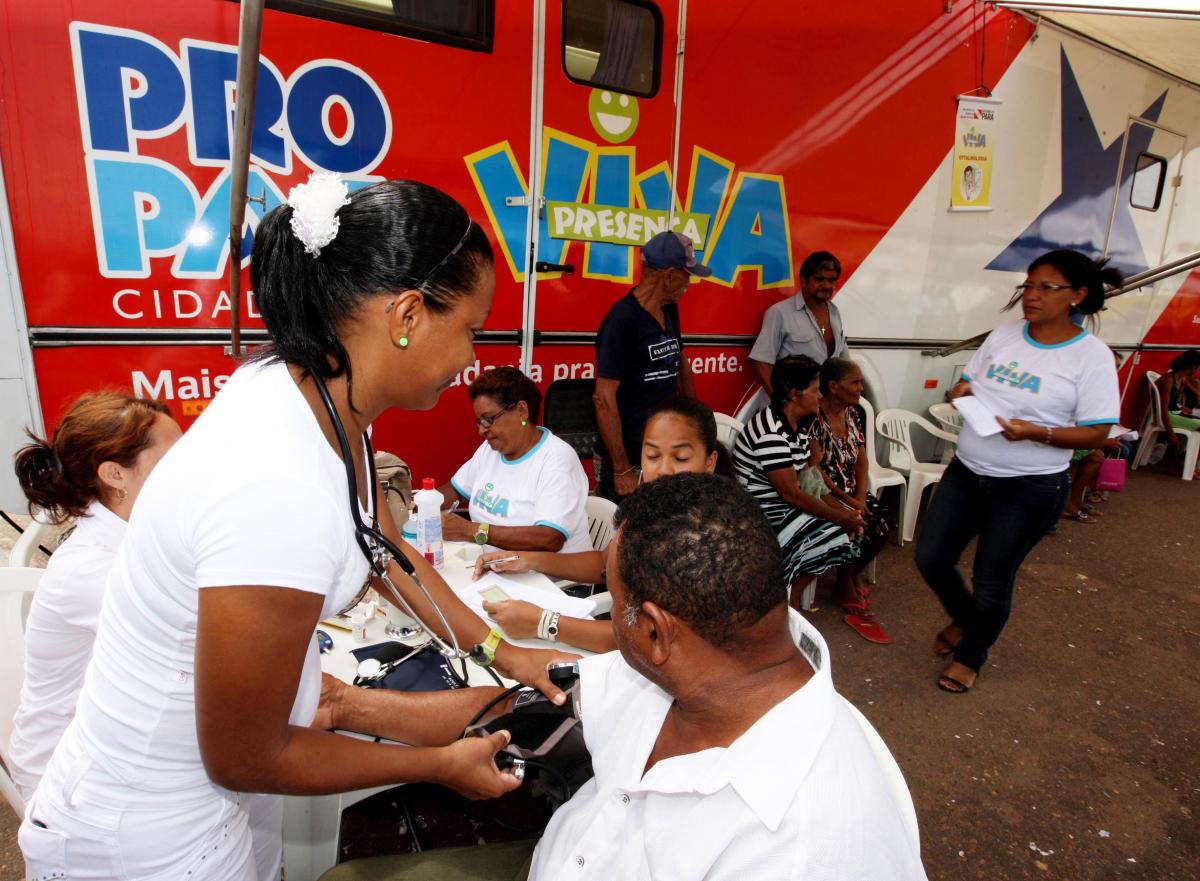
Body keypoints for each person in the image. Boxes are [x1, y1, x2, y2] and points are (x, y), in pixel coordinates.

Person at [18, 176, 574, 881]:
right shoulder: (274, 483)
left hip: (194, 807)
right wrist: (437, 765)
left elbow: (383, 548)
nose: (472, 357)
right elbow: (247, 753)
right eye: (469, 327)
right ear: (406, 313)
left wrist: (504, 651)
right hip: (144, 838)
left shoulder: (311, 393)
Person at [317, 473, 927, 881]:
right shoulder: (692, 677)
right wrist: (347, 706)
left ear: (656, 633)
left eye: (610, 599)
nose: (605, 614)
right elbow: (521, 706)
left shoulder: (805, 849)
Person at [916, 249, 1122, 694]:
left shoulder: (1091, 357)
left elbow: (1098, 432)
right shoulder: (1004, 336)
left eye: (1046, 288)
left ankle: (971, 655)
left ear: (1077, 295)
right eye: (1028, 285)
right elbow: (968, 382)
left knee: (992, 579)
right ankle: (968, 620)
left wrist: (1038, 433)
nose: (1031, 296)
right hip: (968, 470)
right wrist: (962, 391)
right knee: (931, 557)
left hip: (1029, 487)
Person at [8, 392, 179, 801]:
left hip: (117, 748)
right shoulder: (93, 570)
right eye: (174, 459)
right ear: (115, 475)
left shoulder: (137, 534)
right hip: (70, 781)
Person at [475, 396, 736, 653]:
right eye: (653, 455)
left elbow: (650, 640)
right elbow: (605, 562)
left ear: (710, 462)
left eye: (680, 459)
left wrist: (544, 623)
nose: (663, 469)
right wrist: (525, 559)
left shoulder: (709, 538)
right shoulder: (651, 508)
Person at [733, 355, 861, 609]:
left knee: (845, 528)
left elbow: (808, 482)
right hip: (757, 508)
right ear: (795, 394)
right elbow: (791, 493)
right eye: (815, 391)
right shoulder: (772, 433)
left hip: (778, 502)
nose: (820, 397)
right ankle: (785, 600)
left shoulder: (793, 425)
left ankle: (790, 595)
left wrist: (844, 510)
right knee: (831, 533)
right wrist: (839, 516)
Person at [592, 231, 709, 500]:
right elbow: (602, 397)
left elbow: (680, 360)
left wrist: (697, 423)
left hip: (661, 448)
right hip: (629, 456)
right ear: (668, 275)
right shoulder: (622, 320)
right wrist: (622, 469)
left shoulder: (669, 309)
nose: (689, 283)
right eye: (686, 275)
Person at [439, 366, 590, 553]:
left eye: (488, 419)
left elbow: (549, 539)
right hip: (497, 568)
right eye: (479, 422)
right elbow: (456, 490)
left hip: (547, 579)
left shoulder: (557, 460)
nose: (481, 430)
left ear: (521, 411)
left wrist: (470, 531)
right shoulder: (490, 449)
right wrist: (417, 503)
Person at [811, 358, 896, 643]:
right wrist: (847, 499)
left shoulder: (853, 414)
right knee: (856, 523)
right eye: (855, 383)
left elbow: (861, 458)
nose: (861, 388)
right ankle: (844, 585)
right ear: (833, 387)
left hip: (850, 490)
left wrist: (860, 495)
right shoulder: (813, 416)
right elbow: (815, 471)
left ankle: (847, 576)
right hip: (827, 491)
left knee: (884, 520)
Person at [749, 250, 849, 393]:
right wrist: (783, 401)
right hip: (792, 410)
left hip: (823, 407)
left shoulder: (834, 312)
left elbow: (844, 363)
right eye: (819, 279)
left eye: (831, 280)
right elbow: (761, 361)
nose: (827, 285)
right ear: (804, 281)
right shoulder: (780, 312)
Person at [1153, 349, 1200, 477]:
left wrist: (1197, 396)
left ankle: (1183, 460)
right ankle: (1181, 461)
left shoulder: (1179, 378)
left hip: (1176, 413)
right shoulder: (1169, 380)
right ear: (1192, 367)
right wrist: (1170, 433)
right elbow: (1163, 409)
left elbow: (1194, 391)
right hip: (1170, 416)